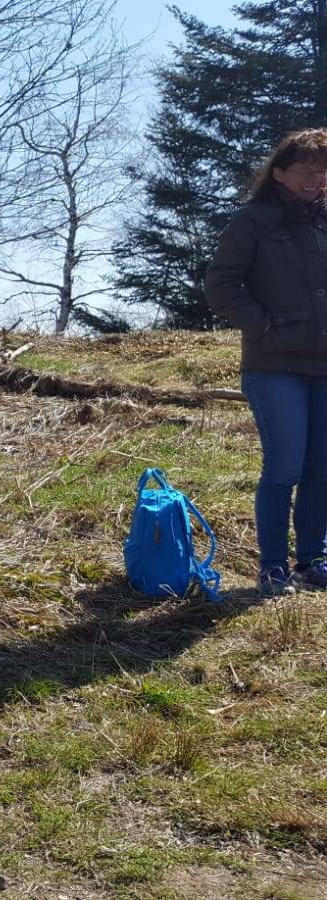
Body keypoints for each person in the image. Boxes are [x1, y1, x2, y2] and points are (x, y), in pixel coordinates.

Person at [207, 128, 327, 597]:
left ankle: (313, 560)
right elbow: (221, 285)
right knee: (285, 466)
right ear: (278, 174)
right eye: (305, 169)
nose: (316, 178)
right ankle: (273, 567)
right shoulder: (252, 221)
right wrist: (263, 326)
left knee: (321, 469)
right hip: (274, 366)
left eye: (323, 170)